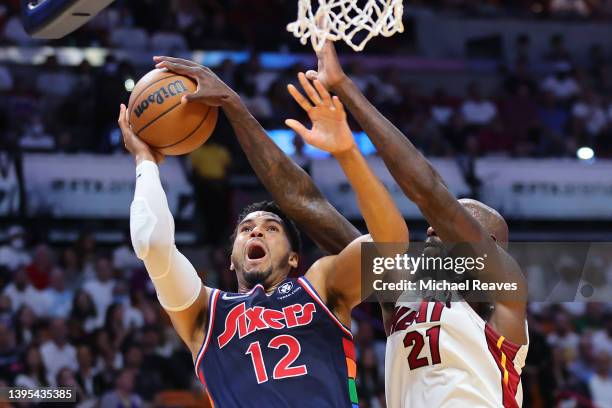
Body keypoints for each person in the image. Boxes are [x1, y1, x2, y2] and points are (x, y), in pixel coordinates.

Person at [118, 62, 408, 407]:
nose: (256, 229)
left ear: (294, 257)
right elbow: (152, 244)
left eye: (272, 228)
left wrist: (347, 154)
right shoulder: (204, 314)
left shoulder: (320, 285)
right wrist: (145, 162)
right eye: (245, 229)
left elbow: (393, 245)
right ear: (231, 256)